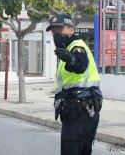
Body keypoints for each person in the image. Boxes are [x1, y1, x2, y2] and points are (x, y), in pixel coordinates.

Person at [46, 14, 103, 155]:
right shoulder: (68, 48)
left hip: (81, 110)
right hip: (78, 110)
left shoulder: (77, 47)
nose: (56, 33)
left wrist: (71, 59)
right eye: (54, 30)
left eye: (60, 29)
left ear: (72, 29)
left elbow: (80, 64)